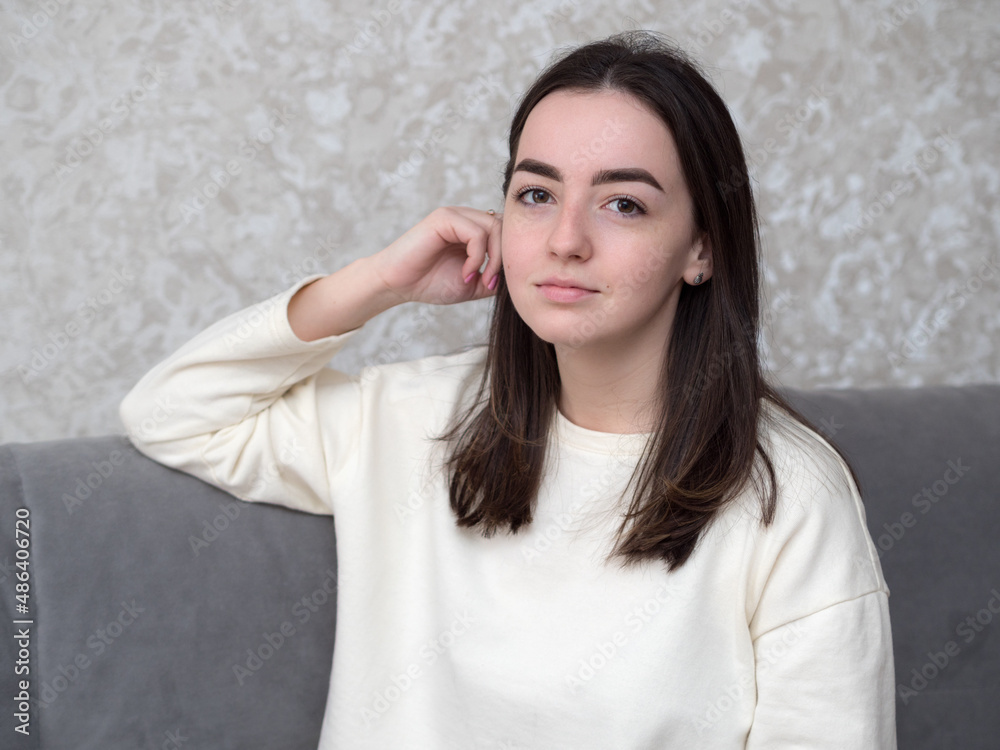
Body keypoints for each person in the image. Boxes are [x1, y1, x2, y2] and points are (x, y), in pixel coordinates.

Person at [120, 29, 896, 749]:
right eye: (536, 194)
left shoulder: (788, 497)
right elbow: (172, 414)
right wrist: (378, 282)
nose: (565, 239)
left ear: (701, 248)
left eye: (623, 203)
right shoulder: (414, 418)